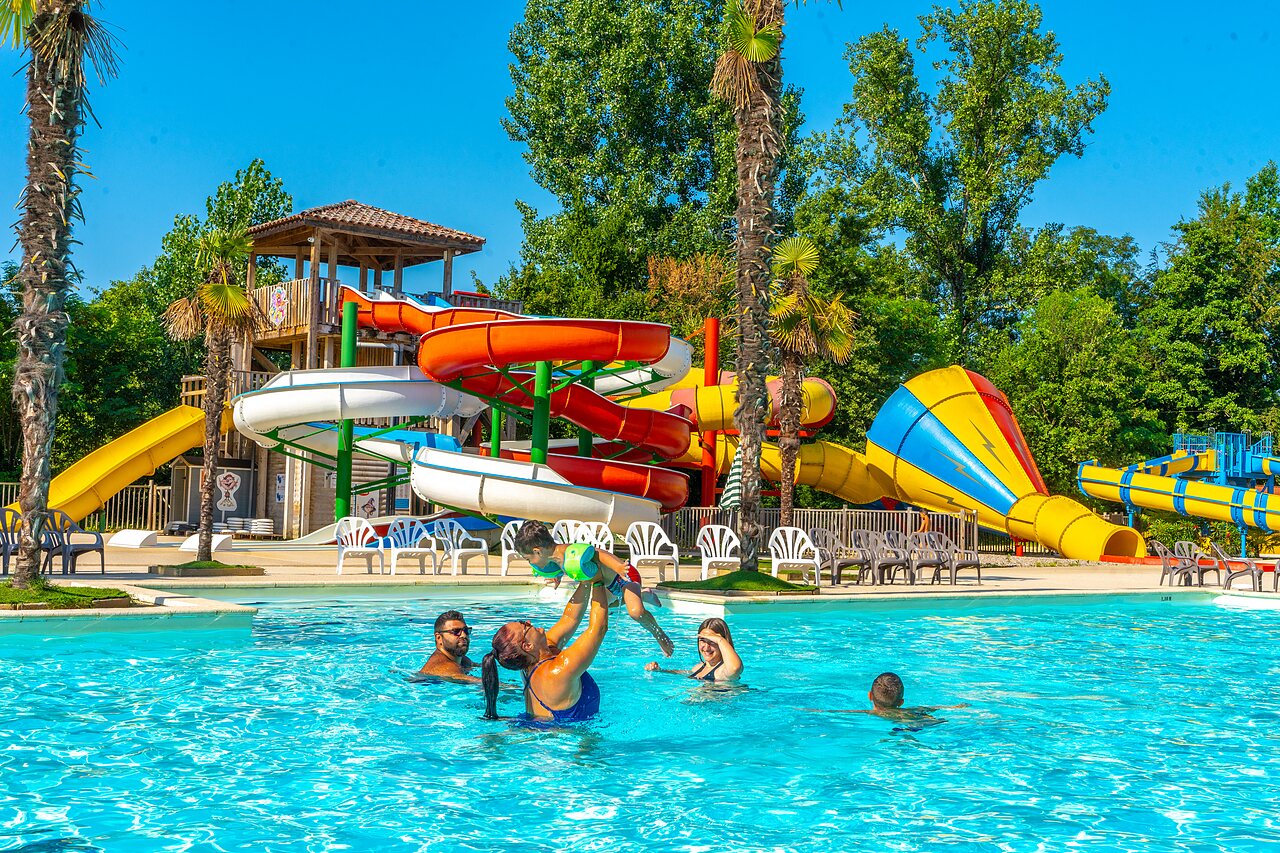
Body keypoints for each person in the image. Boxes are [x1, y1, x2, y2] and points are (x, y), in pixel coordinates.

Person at [513, 520, 673, 657]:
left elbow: (598, 554)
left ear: (537, 551)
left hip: (623, 576)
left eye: (528, 559)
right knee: (606, 607)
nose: (531, 563)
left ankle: (660, 635)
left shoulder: (570, 551)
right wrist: (558, 576)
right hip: (608, 585)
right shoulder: (554, 559)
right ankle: (644, 595)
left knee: (636, 612)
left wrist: (618, 566)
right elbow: (563, 568)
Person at [482, 575, 610, 723]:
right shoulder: (559, 671)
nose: (529, 622)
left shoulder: (535, 657)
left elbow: (569, 618)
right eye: (525, 625)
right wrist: (599, 581)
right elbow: (599, 628)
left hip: (538, 728)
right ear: (527, 646)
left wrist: (586, 580)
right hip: (565, 739)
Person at [808, 672, 968, 728]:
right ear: (901, 702)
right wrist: (956, 707)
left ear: (870, 696)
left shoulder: (868, 714)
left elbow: (837, 712)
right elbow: (933, 707)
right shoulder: (912, 709)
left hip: (908, 723)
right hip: (915, 719)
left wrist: (815, 711)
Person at [645, 617, 743, 682]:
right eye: (702, 640)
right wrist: (660, 670)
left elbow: (735, 668)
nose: (706, 647)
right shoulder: (699, 667)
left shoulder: (723, 671)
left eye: (712, 641)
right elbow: (684, 673)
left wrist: (720, 639)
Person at [417, 610, 479, 683]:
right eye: (456, 631)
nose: (464, 635)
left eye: (465, 630)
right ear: (439, 638)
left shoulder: (462, 660)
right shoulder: (444, 667)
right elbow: (482, 683)